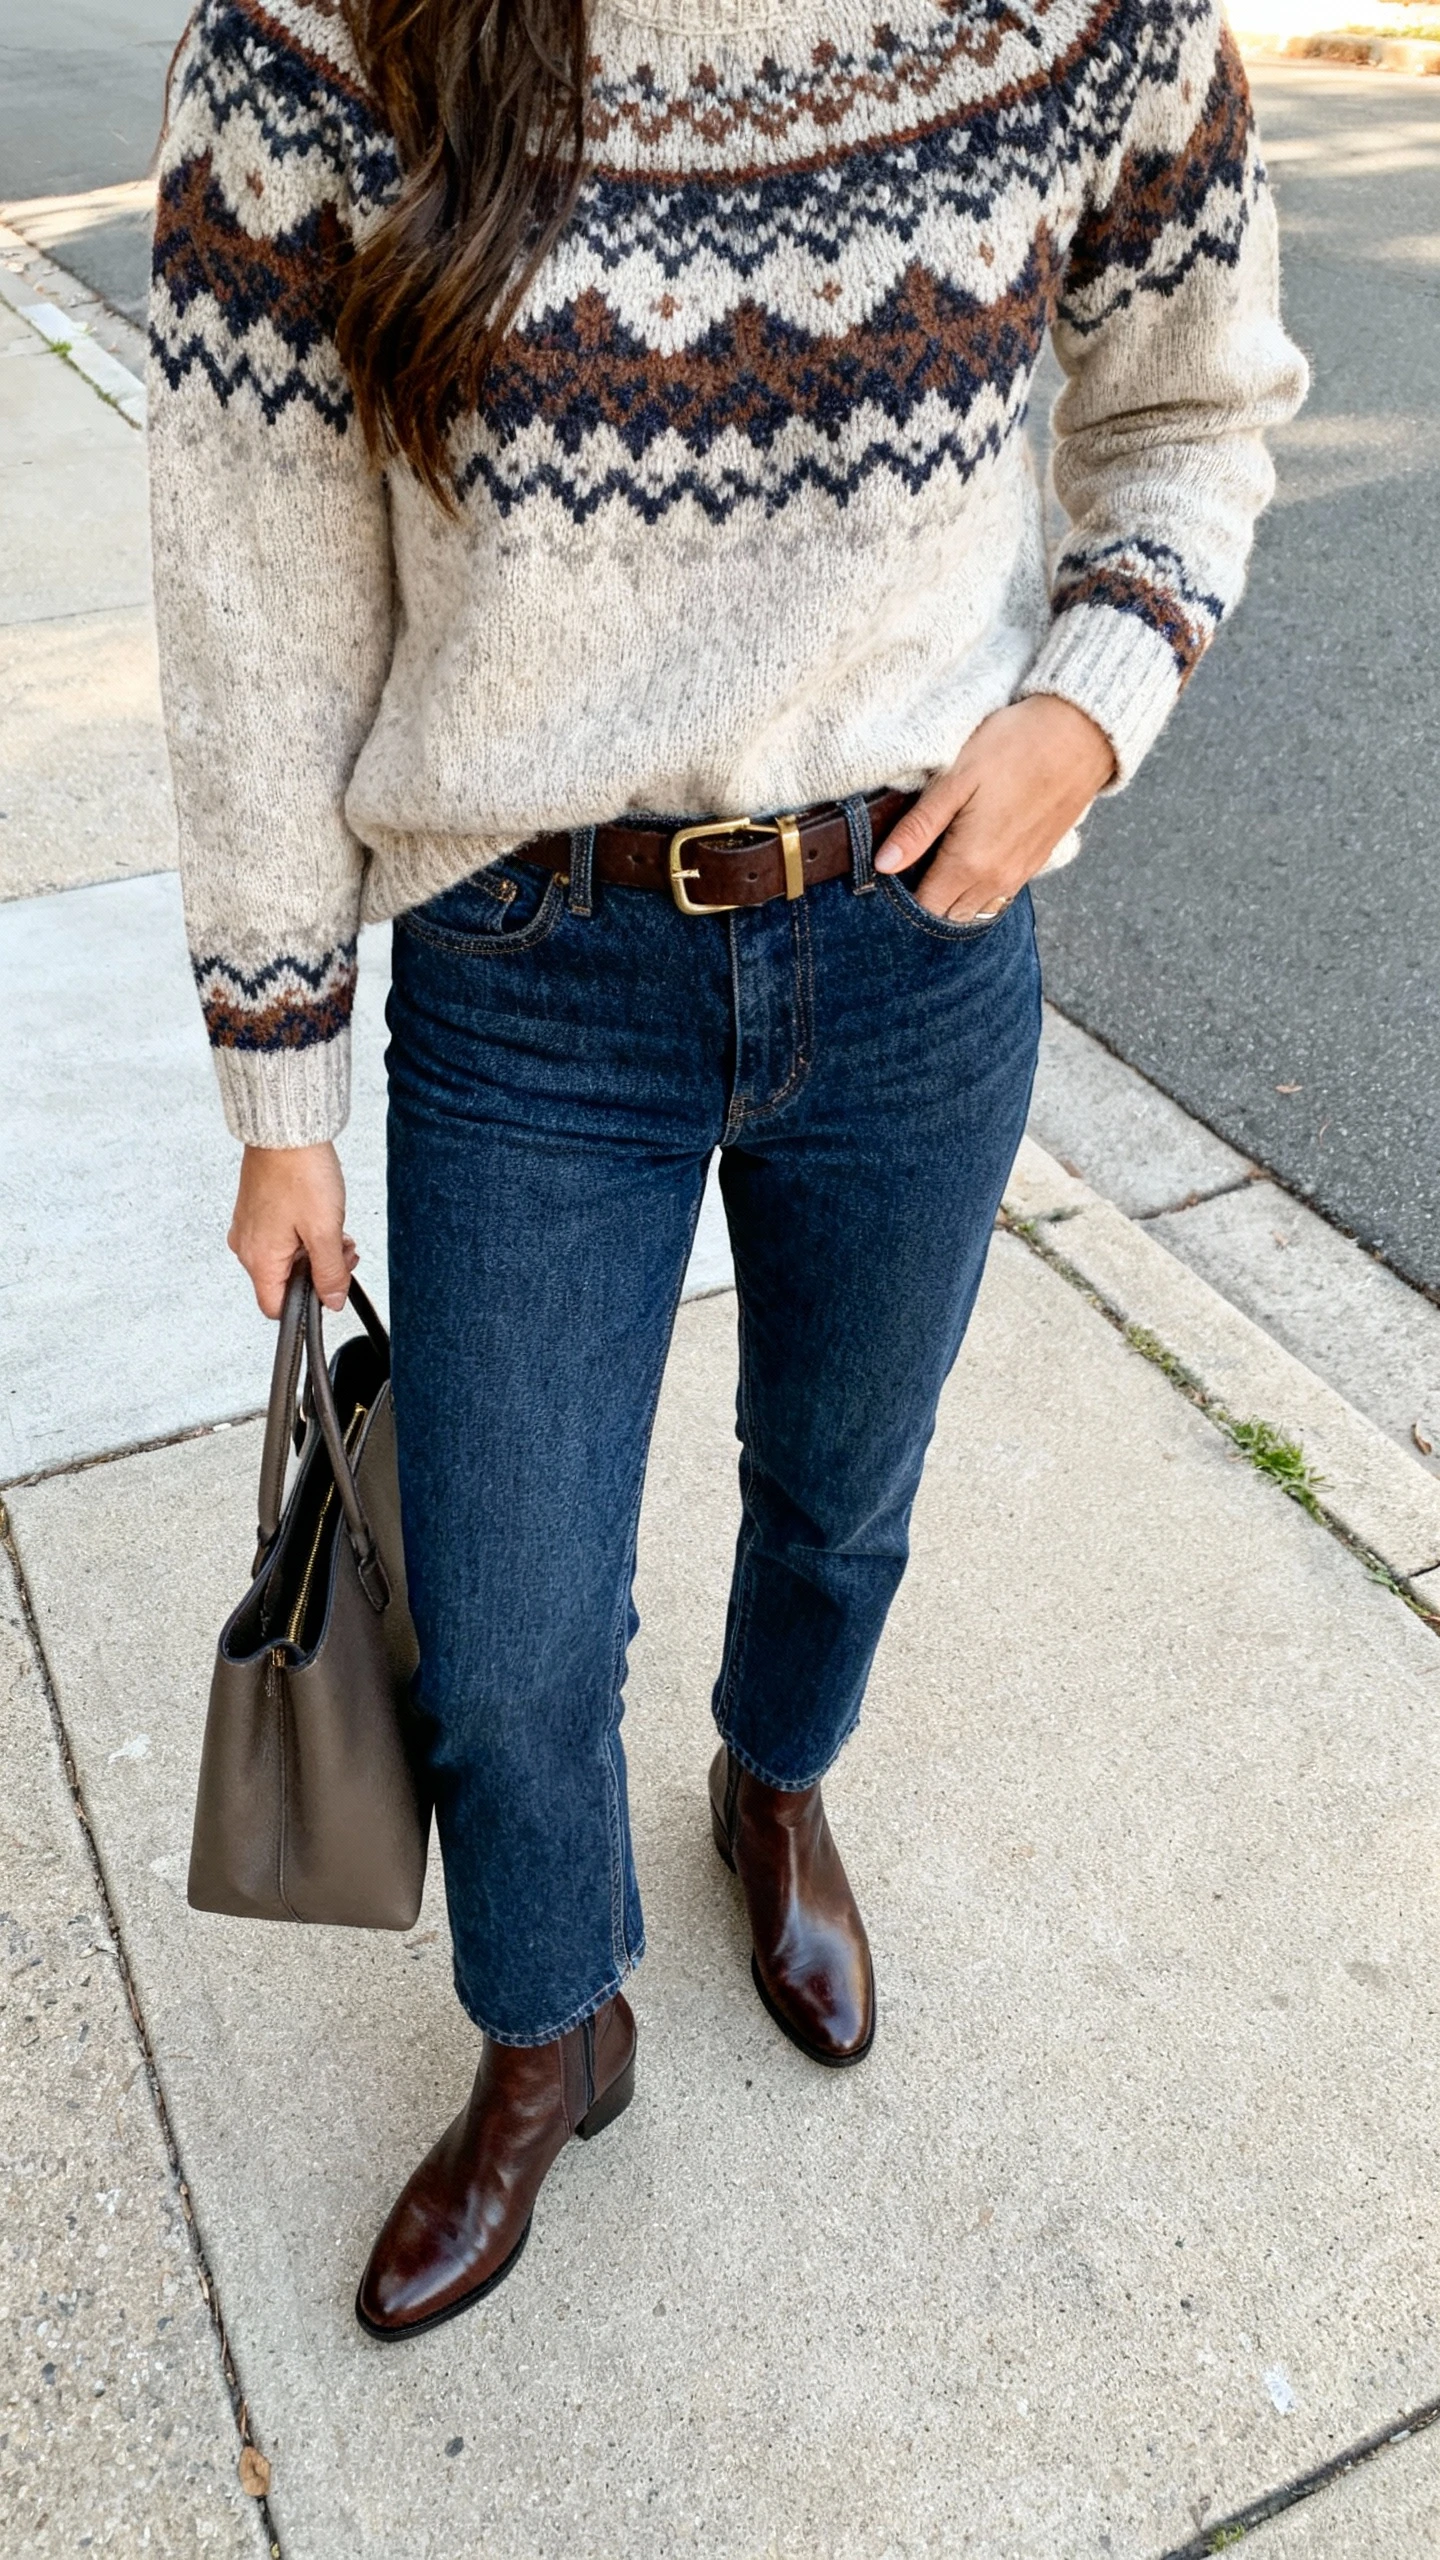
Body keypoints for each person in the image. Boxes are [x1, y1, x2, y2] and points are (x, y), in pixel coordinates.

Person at [149, 0, 1306, 2338]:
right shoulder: (309, 44)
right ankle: (547, 2019)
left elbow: (1192, 406)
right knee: (500, 1631)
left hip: (915, 936)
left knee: (842, 1485)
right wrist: (280, 1080)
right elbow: (260, 593)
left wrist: (1089, 698)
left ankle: (774, 1780)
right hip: (529, 965)